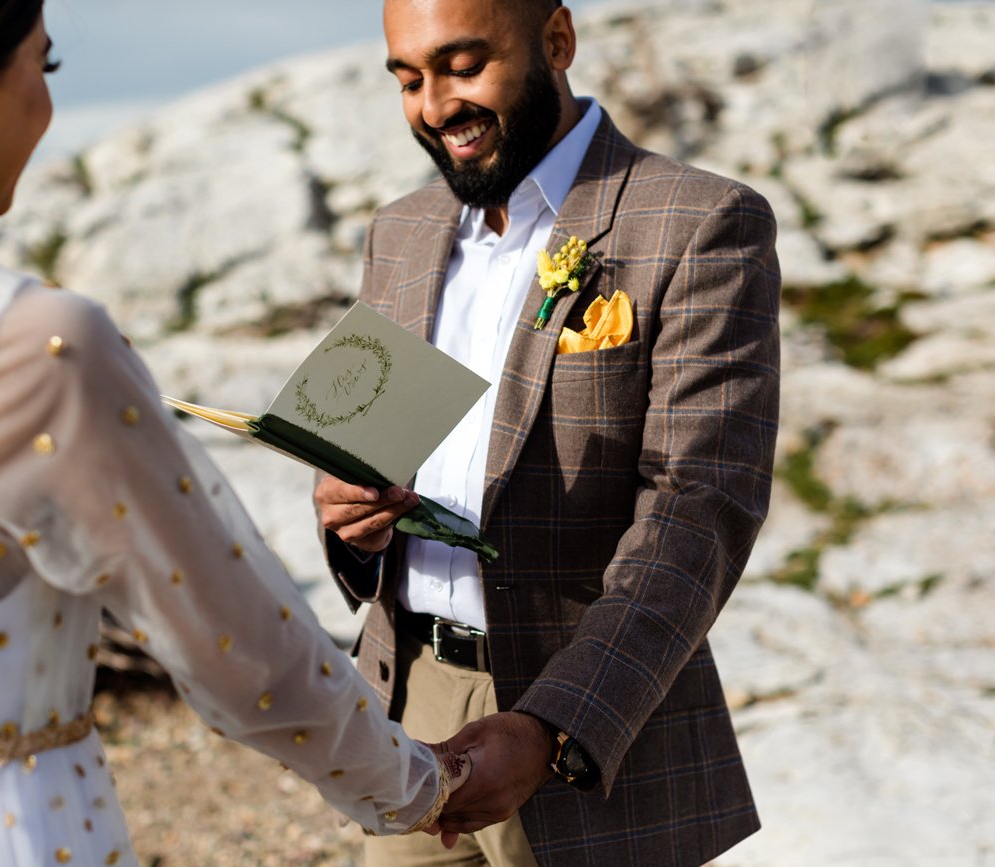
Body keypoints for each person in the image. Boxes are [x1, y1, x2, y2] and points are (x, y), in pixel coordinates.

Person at [0, 2, 469, 865]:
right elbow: (250, 660)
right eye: (44, 66)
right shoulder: (26, 346)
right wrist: (421, 784)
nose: (46, 102)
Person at [315, 0, 781, 865]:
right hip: (408, 705)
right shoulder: (402, 231)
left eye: (462, 66)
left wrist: (555, 725)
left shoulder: (703, 221)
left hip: (587, 729)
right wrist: (350, 524)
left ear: (557, 41)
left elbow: (699, 508)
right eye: (409, 79)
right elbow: (362, 452)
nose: (434, 106)